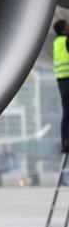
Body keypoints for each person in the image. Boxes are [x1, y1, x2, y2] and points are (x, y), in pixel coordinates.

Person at [53, 19, 69, 154]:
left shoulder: (57, 42)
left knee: (66, 112)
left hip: (61, 82)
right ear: (64, 30)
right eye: (67, 26)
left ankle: (65, 142)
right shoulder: (66, 41)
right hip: (68, 80)